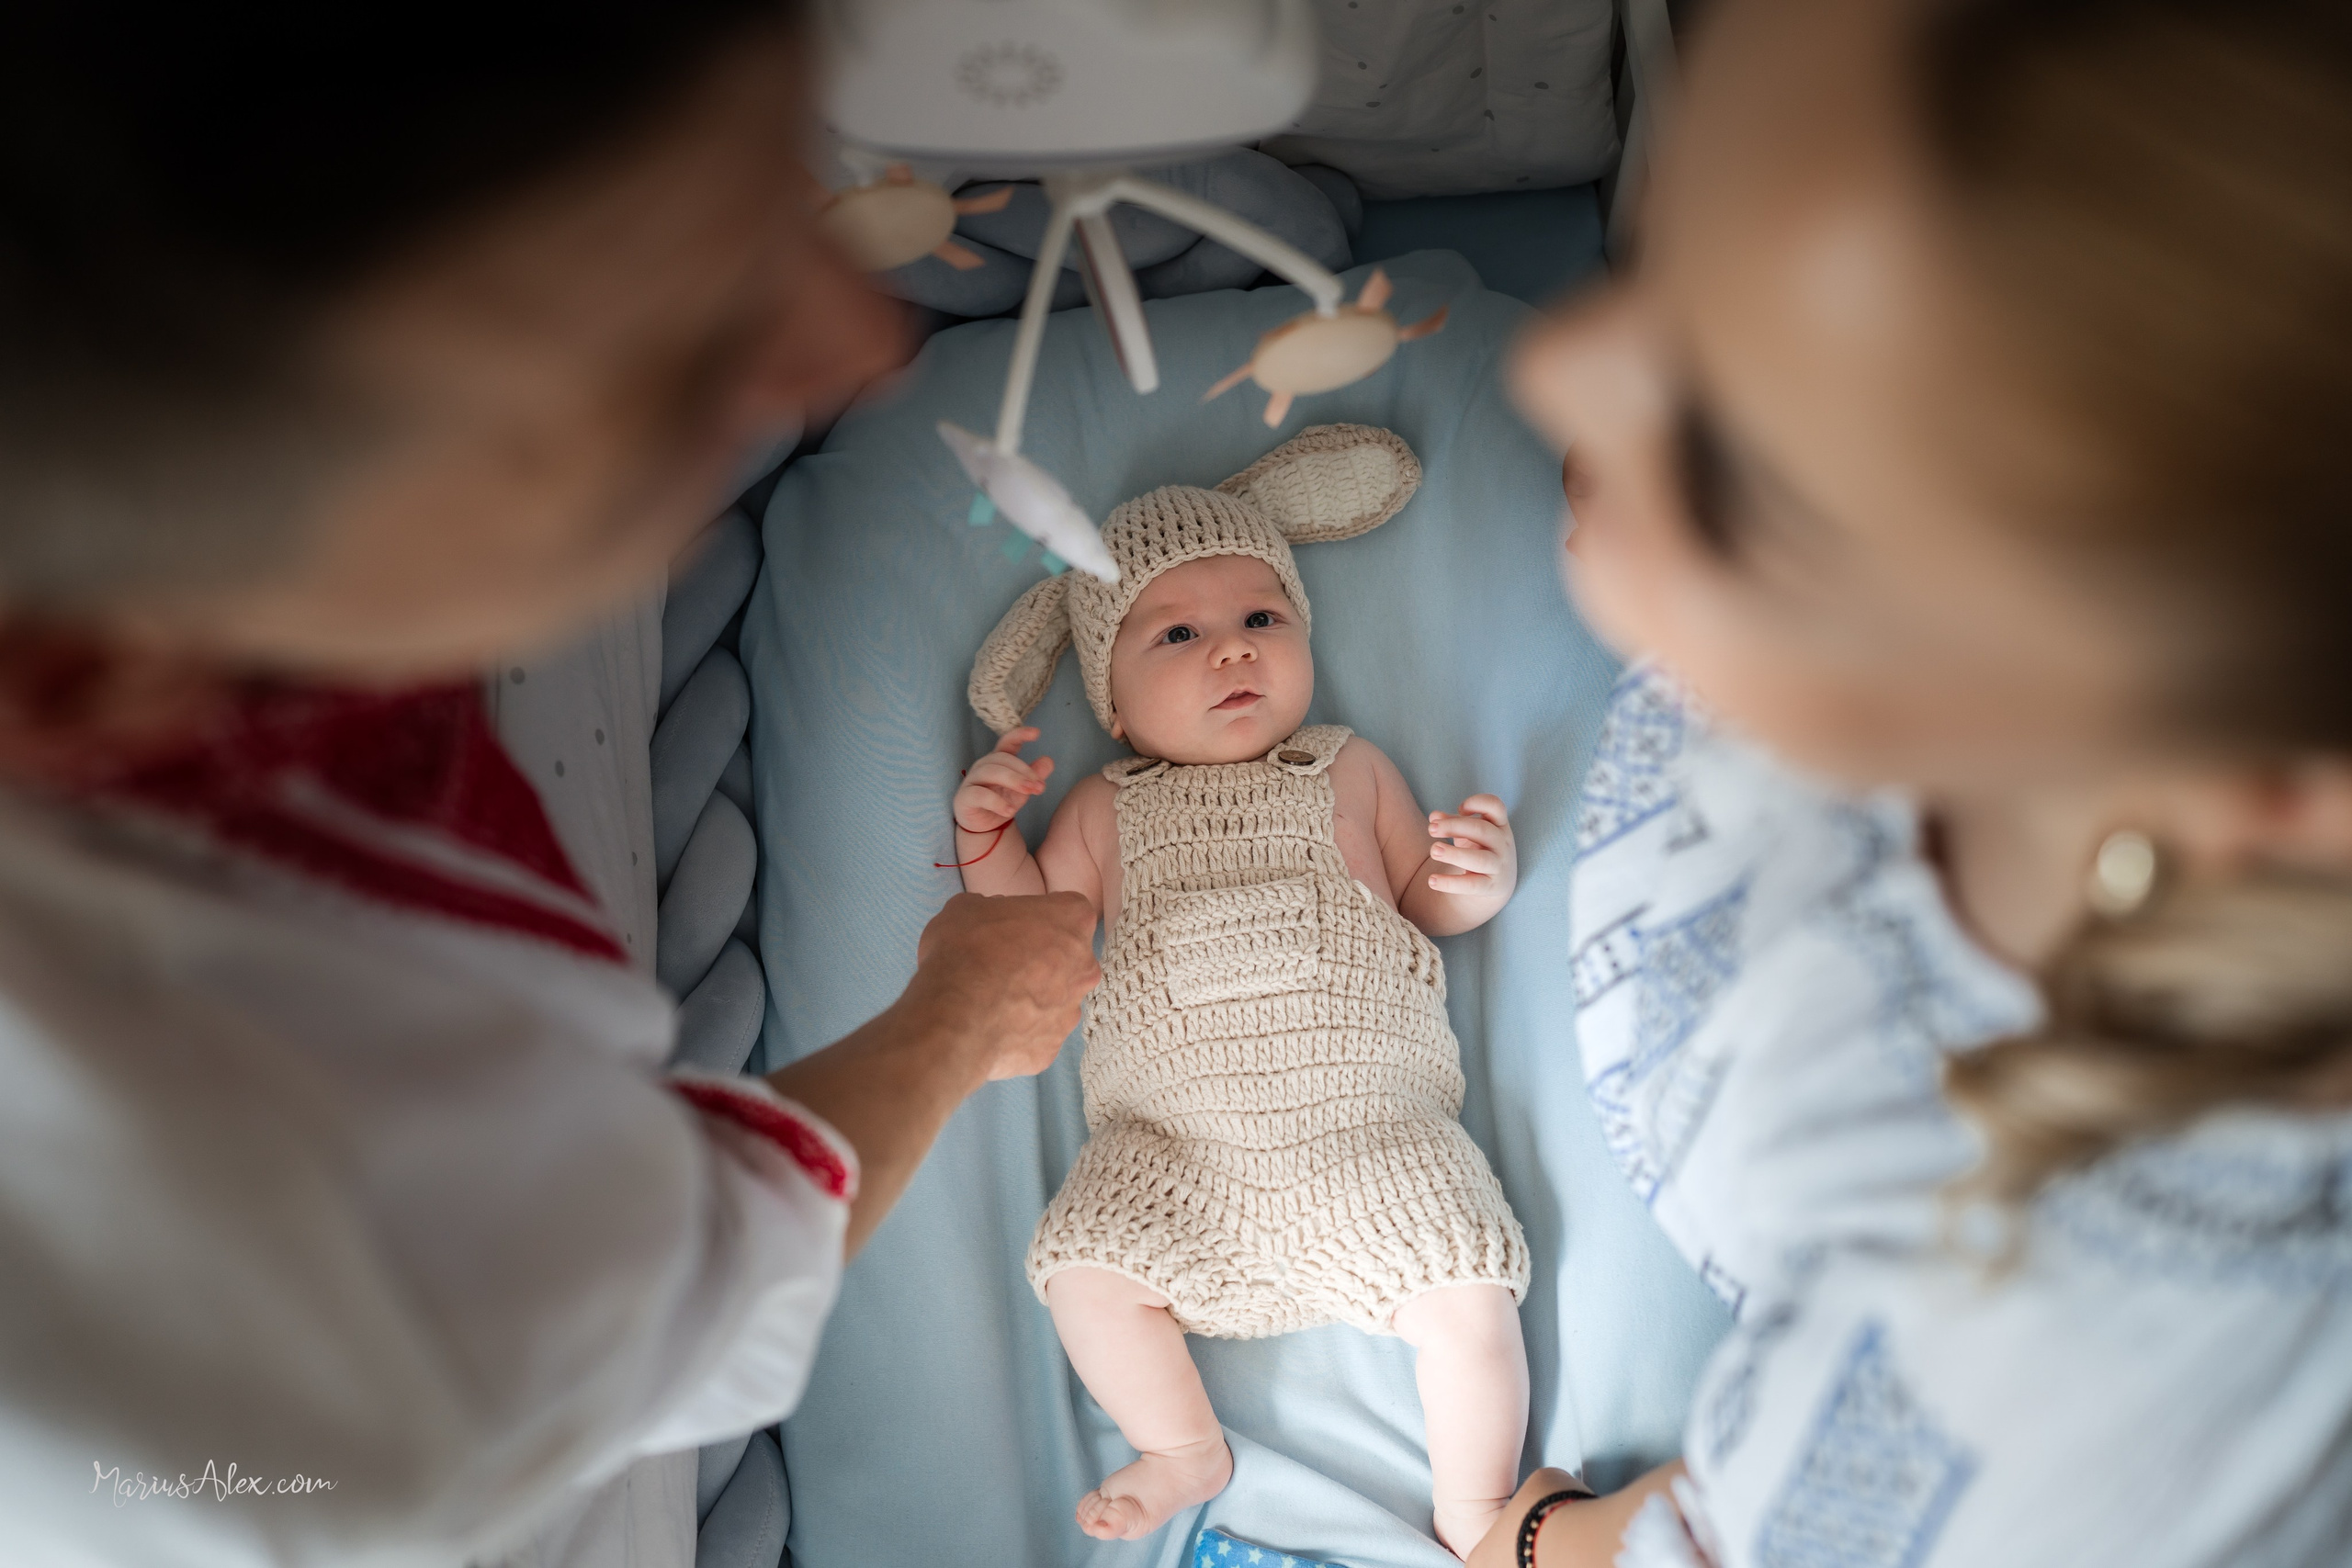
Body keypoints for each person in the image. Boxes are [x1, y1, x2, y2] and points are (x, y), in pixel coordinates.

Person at [0, 4, 1098, 1563]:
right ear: (92, 677)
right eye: (671, 362)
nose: (863, 348)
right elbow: (677, 1289)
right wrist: (962, 1014)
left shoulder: (191, 559)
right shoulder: (282, 1350)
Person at [1484, 0, 2352, 1562]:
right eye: (1656, 262)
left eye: (1742, 472)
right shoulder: (2007, 677)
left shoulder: (2045, 1379)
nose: (1554, 366)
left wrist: (1546, 1537)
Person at [950, 428, 1530, 1557]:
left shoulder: (1349, 768)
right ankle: (1182, 1449)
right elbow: (1030, 932)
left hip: (1371, 1143)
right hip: (1175, 1159)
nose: (1232, 653)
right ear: (1112, 705)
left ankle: (1472, 1509)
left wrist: (1477, 881)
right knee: (1080, 1269)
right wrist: (985, 840)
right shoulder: (1102, 810)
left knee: (1467, 1288)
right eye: (1178, 634)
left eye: (1262, 619)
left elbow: (1421, 900)